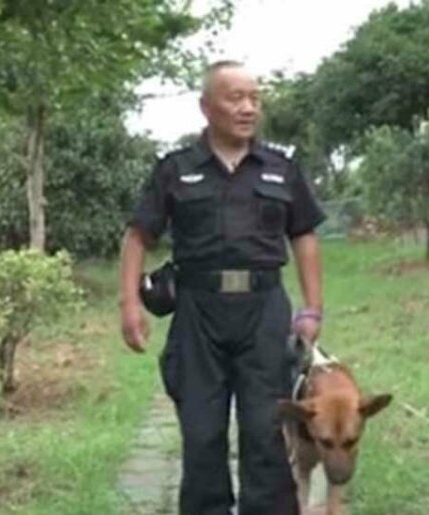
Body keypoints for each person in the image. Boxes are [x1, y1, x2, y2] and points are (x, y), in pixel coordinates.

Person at [119, 60, 326, 515]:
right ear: (206, 107)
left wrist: (312, 308)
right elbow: (138, 235)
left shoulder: (281, 168)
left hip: (264, 310)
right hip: (198, 313)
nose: (248, 108)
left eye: (255, 98)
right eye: (236, 98)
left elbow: (304, 235)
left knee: (266, 431)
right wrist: (129, 304)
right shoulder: (176, 169)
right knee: (201, 433)